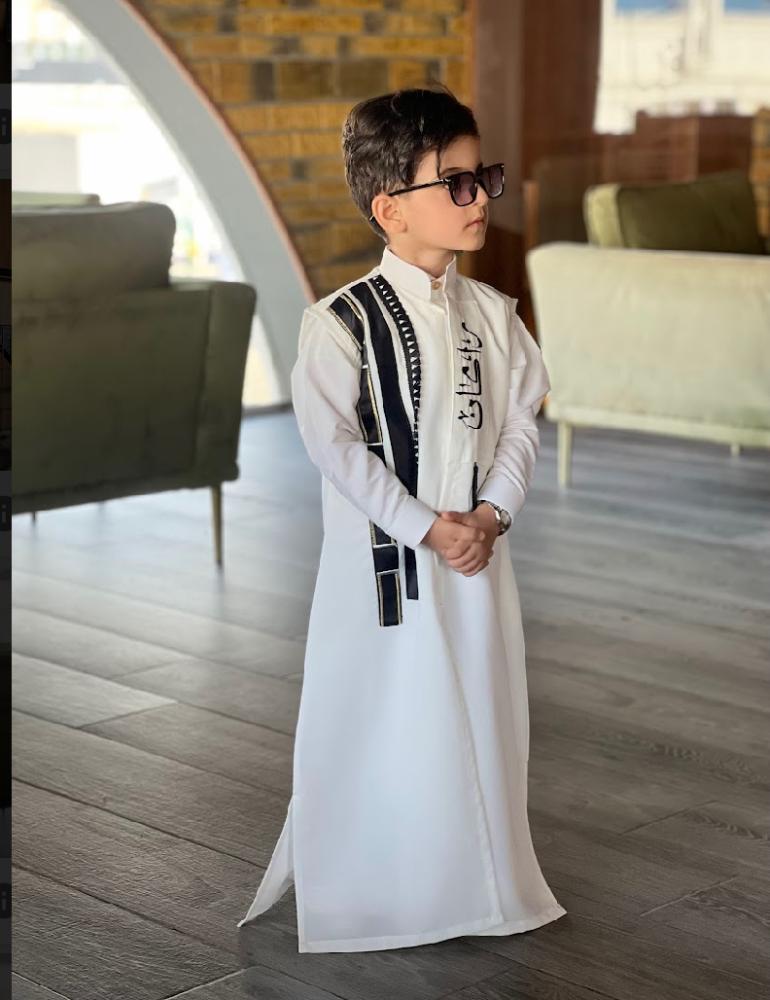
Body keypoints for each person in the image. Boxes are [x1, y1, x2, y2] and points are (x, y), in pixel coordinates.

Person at [236, 85, 567, 953]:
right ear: (391, 209)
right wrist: (427, 527)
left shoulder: (493, 315)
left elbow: (520, 423)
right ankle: (380, 891)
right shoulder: (337, 324)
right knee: (389, 710)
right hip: (385, 570)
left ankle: (480, 884)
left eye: (484, 177)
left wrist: (492, 513)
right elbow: (336, 449)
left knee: (483, 706)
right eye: (456, 183)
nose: (479, 197)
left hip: (478, 560)